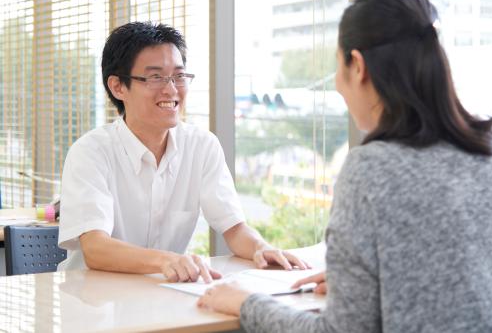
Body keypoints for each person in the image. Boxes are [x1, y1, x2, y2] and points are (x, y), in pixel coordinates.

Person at [196, 0, 492, 332]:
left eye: (338, 68)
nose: (340, 86)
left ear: (357, 66)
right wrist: (369, 284)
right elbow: (478, 273)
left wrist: (247, 303)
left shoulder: (372, 168)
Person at [58, 22, 308, 282]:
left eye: (178, 76)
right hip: (92, 301)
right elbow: (96, 249)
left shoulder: (202, 146)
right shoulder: (90, 153)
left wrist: (261, 249)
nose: (171, 89)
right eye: (155, 77)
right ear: (118, 87)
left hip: (162, 294)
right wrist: (167, 260)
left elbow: (234, 228)